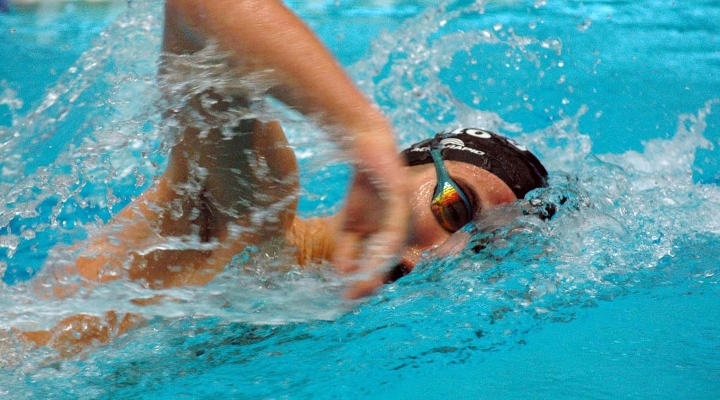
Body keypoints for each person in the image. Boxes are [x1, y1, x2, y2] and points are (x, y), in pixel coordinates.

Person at [15, 0, 547, 357]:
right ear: (403, 171)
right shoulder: (251, 209)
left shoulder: (308, 316)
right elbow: (197, 8)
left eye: (483, 254)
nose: (450, 253)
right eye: (455, 209)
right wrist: (361, 130)